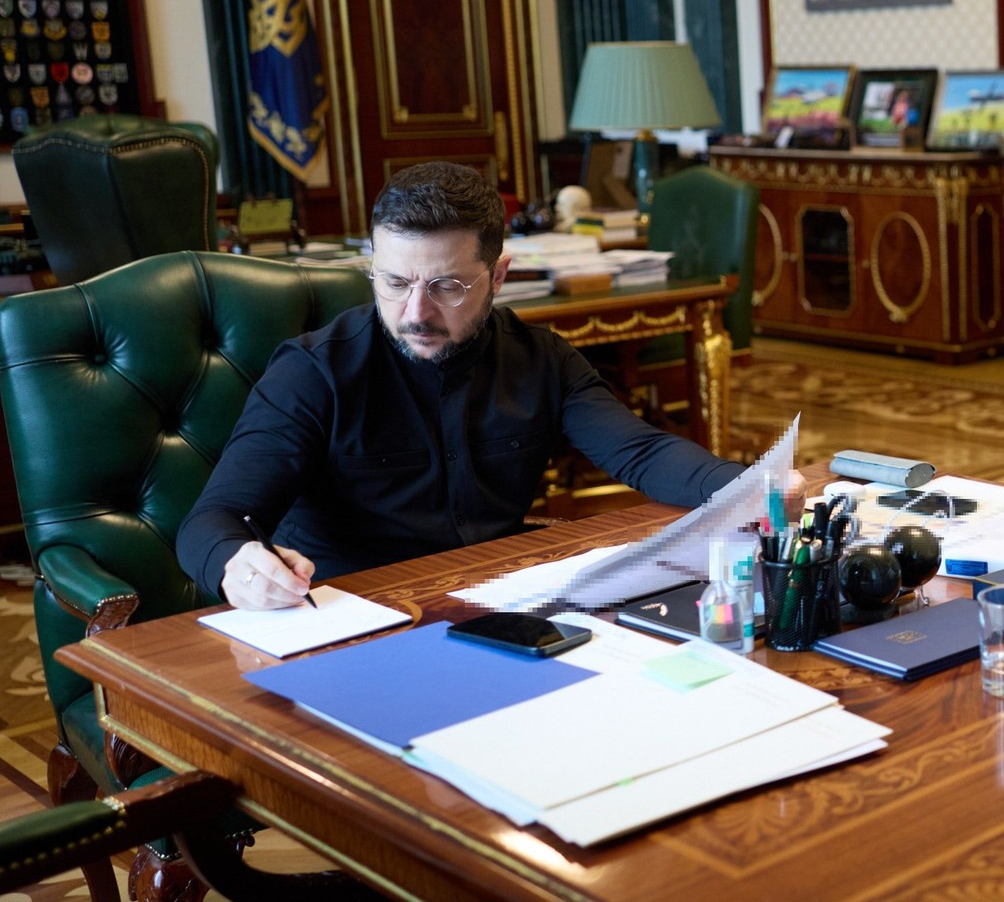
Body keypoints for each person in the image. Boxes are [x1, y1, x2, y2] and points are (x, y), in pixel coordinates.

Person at [178, 162, 744, 610]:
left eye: (446, 286)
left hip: (500, 604)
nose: (415, 313)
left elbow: (642, 453)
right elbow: (211, 521)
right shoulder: (312, 372)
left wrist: (754, 491)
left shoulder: (542, 359)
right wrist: (238, 565)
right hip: (352, 614)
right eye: (394, 282)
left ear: (498, 276)